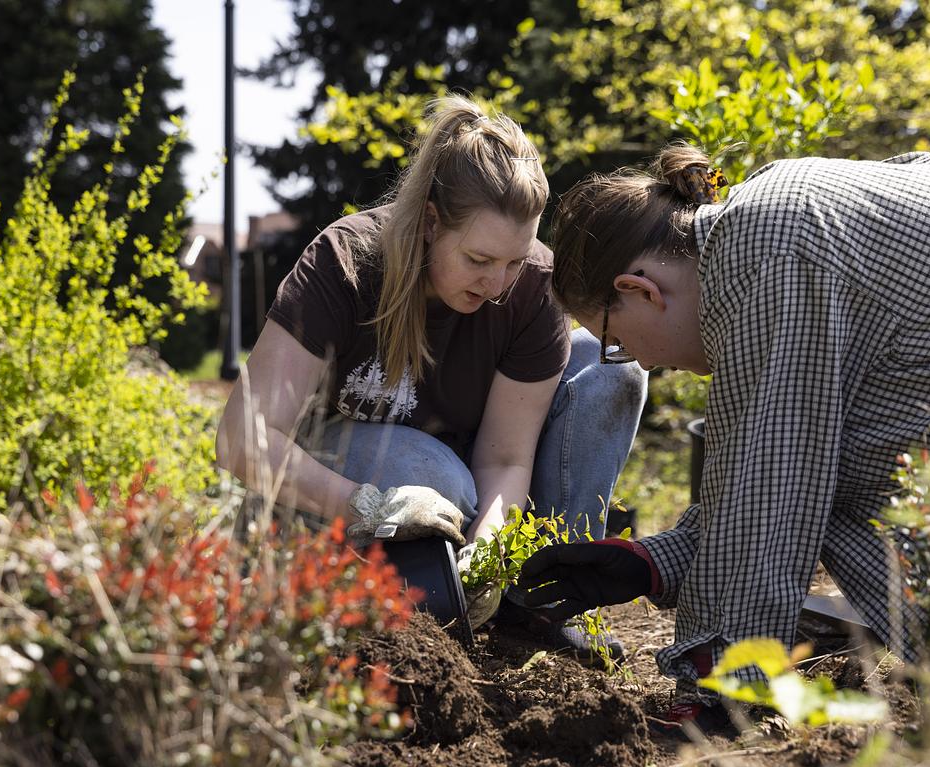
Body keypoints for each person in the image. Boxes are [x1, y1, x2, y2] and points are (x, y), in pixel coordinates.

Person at [518, 143, 930, 720]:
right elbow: (777, 479)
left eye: (614, 340)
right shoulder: (765, 212)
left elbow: (776, 487)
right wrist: (647, 562)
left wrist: (724, 679)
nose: (638, 363)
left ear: (640, 290)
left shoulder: (766, 254)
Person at [215, 95, 647, 658]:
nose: (498, 284)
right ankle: (376, 608)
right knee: (437, 480)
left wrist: (491, 547)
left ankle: (540, 599)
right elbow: (241, 438)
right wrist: (366, 506)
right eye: (479, 260)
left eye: (514, 262)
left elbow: (506, 458)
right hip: (330, 483)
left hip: (466, 467)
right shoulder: (345, 265)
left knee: (608, 373)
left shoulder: (530, 286)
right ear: (430, 221)